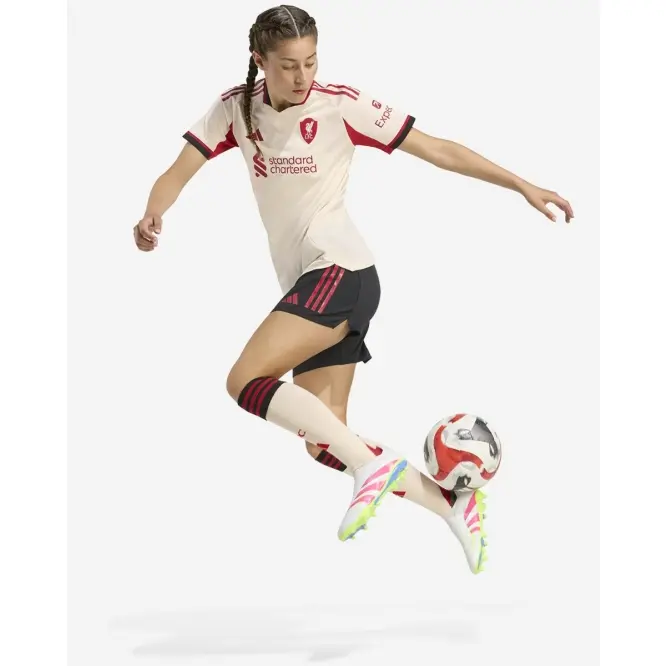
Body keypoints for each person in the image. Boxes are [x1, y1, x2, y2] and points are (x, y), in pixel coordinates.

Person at [133, 5, 574, 574]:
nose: (302, 76)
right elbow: (176, 172)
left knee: (244, 381)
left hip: (339, 271)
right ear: (259, 60)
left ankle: (371, 467)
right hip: (316, 285)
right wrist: (154, 213)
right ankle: (449, 504)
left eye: (311, 62)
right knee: (324, 442)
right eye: (288, 65)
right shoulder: (234, 109)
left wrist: (521, 184)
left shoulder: (340, 105)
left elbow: (438, 149)